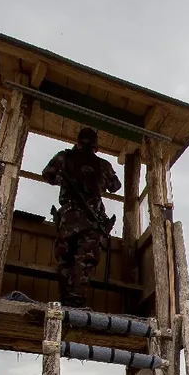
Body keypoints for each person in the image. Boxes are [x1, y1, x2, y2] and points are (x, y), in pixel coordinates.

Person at [41, 127, 121, 308]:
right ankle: (74, 306)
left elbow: (47, 174)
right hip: (92, 222)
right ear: (96, 147)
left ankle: (63, 304)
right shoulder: (104, 165)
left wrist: (66, 177)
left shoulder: (64, 157)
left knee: (65, 262)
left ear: (77, 142)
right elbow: (115, 186)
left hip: (68, 220)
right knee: (83, 263)